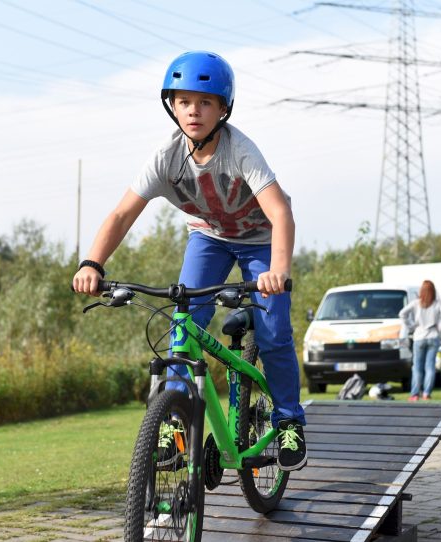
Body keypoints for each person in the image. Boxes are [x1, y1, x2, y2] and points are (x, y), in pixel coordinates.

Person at [71, 51, 306, 471]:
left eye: (204, 102)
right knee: (182, 326)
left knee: (272, 332)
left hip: (259, 241)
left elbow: (280, 212)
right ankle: (175, 426)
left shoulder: (241, 152)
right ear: (171, 106)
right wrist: (93, 263)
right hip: (209, 238)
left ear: (223, 109)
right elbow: (122, 214)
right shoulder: (166, 157)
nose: (193, 111)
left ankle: (288, 418)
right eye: (183, 101)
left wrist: (278, 271)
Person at [399, 280, 441, 401]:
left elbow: (402, 313)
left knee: (417, 367)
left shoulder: (416, 303)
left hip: (419, 337)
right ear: (433, 291)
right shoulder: (437, 304)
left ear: (421, 291)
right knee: (430, 367)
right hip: (433, 336)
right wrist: (439, 326)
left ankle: (415, 394)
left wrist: (411, 326)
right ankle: (427, 393)